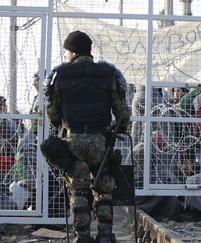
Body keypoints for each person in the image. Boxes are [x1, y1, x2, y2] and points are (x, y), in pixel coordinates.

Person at [44, 30, 130, 243]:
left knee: (78, 191)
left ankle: (82, 237)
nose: (65, 54)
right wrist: (113, 131)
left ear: (72, 51)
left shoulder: (60, 74)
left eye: (66, 50)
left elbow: (53, 116)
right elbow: (123, 114)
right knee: (103, 189)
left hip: (73, 140)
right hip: (101, 141)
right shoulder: (109, 72)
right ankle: (106, 236)